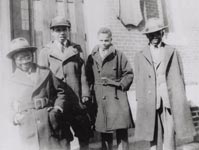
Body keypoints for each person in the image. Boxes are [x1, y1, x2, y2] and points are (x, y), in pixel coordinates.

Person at [134, 18, 196, 150]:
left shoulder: (172, 52)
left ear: (162, 33)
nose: (154, 37)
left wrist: (180, 98)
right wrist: (140, 100)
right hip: (151, 100)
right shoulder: (140, 55)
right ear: (147, 36)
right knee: (154, 134)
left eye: (157, 33)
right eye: (151, 34)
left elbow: (180, 76)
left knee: (169, 134)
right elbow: (139, 80)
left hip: (169, 99)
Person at [38, 16, 93, 150]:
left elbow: (83, 74)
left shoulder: (76, 49)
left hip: (76, 98)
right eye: (57, 30)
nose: (61, 33)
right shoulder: (45, 51)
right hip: (58, 100)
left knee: (83, 132)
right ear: (52, 32)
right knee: (63, 136)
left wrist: (85, 93)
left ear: (68, 31)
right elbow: (42, 79)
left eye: (64, 29)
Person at [6, 37, 70, 150]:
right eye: (20, 58)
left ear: (32, 56)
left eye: (27, 57)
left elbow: (61, 92)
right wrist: (15, 117)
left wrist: (58, 108)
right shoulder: (10, 81)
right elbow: (5, 105)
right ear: (14, 60)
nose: (25, 61)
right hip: (29, 127)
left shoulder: (45, 72)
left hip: (51, 124)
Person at [86, 27, 134, 150]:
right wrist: (89, 93)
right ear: (98, 40)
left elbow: (128, 73)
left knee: (121, 130)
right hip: (100, 96)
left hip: (117, 96)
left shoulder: (118, 55)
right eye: (101, 40)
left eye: (106, 40)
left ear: (111, 40)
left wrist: (120, 85)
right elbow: (87, 77)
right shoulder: (92, 57)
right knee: (105, 130)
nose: (104, 43)